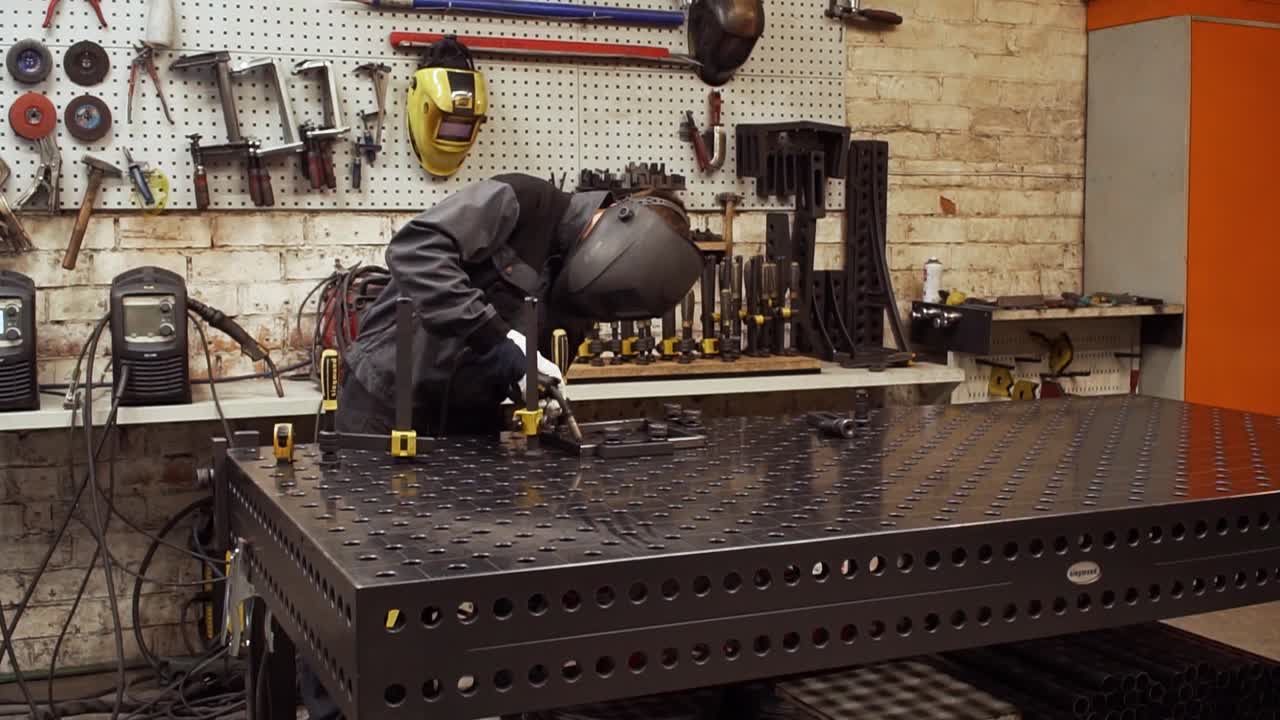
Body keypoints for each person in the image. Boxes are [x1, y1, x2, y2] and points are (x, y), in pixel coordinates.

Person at [301, 173, 702, 720]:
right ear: (613, 222)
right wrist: (494, 337)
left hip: (470, 425)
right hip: (383, 406)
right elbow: (416, 249)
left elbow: (541, 361)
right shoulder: (520, 202)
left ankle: (427, 704)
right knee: (355, 578)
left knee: (447, 574)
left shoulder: (589, 284)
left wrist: (537, 391)